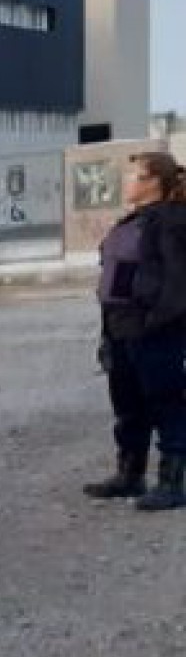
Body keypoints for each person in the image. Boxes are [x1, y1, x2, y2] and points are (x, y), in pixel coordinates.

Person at [84, 152, 186, 511]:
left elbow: (176, 282)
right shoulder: (134, 220)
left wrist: (155, 322)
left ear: (153, 182)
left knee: (166, 402)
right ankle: (130, 474)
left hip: (152, 329)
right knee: (127, 404)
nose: (128, 181)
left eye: (135, 175)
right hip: (120, 326)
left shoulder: (171, 221)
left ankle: (173, 482)